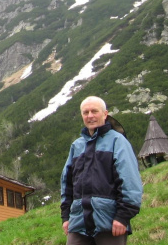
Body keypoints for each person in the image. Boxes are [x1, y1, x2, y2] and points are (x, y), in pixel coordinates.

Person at [60, 96, 143, 244]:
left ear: (105, 114)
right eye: (86, 112)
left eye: (94, 111)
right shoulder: (76, 146)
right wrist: (66, 217)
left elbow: (129, 181)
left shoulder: (118, 141)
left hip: (110, 223)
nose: (90, 116)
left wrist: (123, 217)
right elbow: (67, 183)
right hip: (78, 223)